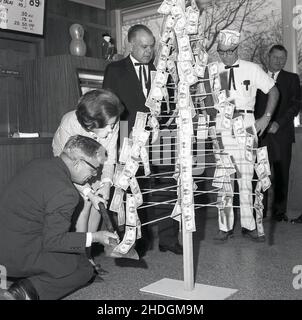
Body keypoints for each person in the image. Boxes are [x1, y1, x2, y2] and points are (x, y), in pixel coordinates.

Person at [0, 135, 119, 300]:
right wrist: (96, 237)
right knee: (83, 268)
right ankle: (21, 293)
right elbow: (54, 241)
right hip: (13, 254)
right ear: (78, 163)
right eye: (94, 169)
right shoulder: (66, 193)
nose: (95, 175)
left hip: (7, 239)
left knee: (71, 253)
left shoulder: (38, 164)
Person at [103, 24, 182, 256]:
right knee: (131, 190)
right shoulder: (115, 69)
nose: (149, 51)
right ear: (131, 45)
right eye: (144, 46)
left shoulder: (162, 71)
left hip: (162, 136)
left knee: (168, 187)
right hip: (129, 133)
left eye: (151, 47)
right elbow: (108, 104)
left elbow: (170, 105)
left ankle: (168, 238)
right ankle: (135, 240)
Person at [214, 29, 279, 242]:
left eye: (230, 51)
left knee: (246, 176)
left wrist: (266, 118)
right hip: (222, 125)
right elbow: (203, 97)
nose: (226, 56)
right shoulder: (212, 70)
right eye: (221, 52)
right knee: (224, 176)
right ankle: (224, 227)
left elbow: (273, 91)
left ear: (237, 49)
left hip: (247, 123)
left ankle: (248, 224)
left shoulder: (252, 68)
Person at [53, 89, 124, 233]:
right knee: (84, 202)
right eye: (110, 126)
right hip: (71, 166)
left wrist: (106, 183)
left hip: (96, 162)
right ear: (93, 124)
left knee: (99, 202)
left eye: (113, 124)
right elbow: (69, 167)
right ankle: (81, 252)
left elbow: (108, 159)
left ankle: (89, 250)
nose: (113, 129)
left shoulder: (112, 121)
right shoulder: (70, 124)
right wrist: (88, 192)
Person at [255, 45, 301, 222]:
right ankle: (259, 211)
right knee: (260, 174)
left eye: (283, 58)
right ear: (269, 57)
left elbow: (296, 104)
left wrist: (279, 123)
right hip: (261, 135)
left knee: (281, 175)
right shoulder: (258, 76)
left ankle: (279, 213)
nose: (279, 61)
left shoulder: (292, 78)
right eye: (276, 57)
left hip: (283, 134)